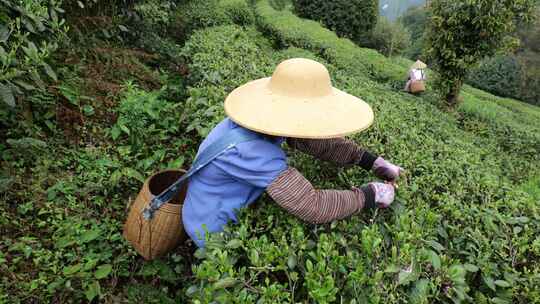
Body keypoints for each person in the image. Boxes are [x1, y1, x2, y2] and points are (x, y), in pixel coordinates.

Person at [182, 58, 404, 247]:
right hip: (212, 230)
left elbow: (317, 143)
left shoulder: (261, 118)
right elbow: (311, 205)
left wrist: (372, 161)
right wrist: (369, 195)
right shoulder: (251, 152)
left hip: (220, 204)